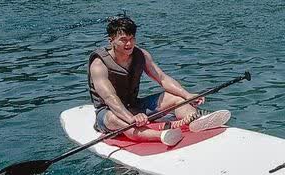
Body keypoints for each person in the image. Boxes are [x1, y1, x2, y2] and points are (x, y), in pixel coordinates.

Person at [88, 15, 230, 145]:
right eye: (123, 40)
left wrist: (187, 95)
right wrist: (131, 118)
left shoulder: (141, 55)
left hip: (134, 106)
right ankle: (162, 135)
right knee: (116, 119)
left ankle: (196, 120)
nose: (129, 44)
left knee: (175, 98)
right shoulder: (99, 64)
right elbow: (109, 97)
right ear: (111, 40)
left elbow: (162, 78)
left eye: (132, 38)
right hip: (108, 112)